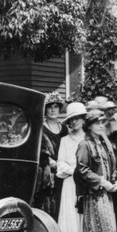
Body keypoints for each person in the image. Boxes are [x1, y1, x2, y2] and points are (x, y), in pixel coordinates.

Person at [74, 110, 117, 232]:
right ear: (89, 126)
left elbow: (112, 164)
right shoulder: (85, 144)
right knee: (99, 228)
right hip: (93, 193)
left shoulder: (103, 142)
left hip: (105, 193)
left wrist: (115, 180)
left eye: (103, 122)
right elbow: (82, 169)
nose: (101, 126)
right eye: (97, 123)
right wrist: (102, 181)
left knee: (105, 227)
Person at [56, 102, 87, 232]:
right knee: (73, 217)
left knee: (86, 217)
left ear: (83, 119)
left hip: (86, 183)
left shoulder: (88, 138)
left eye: (77, 119)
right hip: (70, 184)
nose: (74, 122)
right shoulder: (65, 140)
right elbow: (60, 165)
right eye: (71, 120)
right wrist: (75, 169)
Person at [34, 92, 68, 222]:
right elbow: (39, 153)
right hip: (46, 174)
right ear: (45, 109)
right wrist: (54, 163)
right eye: (50, 106)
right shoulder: (40, 128)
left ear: (60, 109)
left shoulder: (65, 129)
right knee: (47, 208)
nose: (53, 110)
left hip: (63, 173)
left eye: (56, 106)